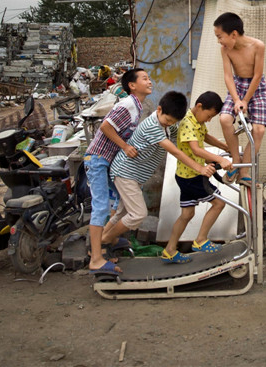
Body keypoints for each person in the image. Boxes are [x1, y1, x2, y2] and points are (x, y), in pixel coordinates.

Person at [100, 91, 212, 254]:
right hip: (125, 172)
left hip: (133, 175)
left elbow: (184, 136)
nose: (169, 125)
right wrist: (200, 168)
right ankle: (105, 240)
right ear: (159, 110)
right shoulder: (153, 125)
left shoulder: (167, 124)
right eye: (167, 121)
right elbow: (176, 152)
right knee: (138, 214)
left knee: (122, 212)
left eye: (172, 122)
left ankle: (99, 244)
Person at [85, 68, 152, 275]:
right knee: (100, 207)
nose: (150, 81)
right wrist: (125, 146)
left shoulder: (137, 106)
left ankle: (108, 241)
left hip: (107, 161)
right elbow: (105, 127)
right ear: (132, 85)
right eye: (145, 78)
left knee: (123, 198)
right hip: (97, 159)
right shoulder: (128, 104)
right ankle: (95, 258)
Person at [161, 92, 234, 263]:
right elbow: (196, 150)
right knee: (218, 203)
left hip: (185, 175)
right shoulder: (187, 122)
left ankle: (170, 250)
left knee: (187, 214)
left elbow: (205, 136)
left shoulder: (196, 120)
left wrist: (225, 146)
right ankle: (201, 240)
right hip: (192, 177)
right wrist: (220, 159)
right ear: (199, 106)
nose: (208, 120)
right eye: (208, 116)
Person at [214, 12, 266, 184]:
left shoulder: (258, 46)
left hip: (256, 88)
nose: (219, 41)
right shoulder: (225, 50)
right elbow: (228, 76)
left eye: (220, 36)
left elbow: (258, 75)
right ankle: (236, 162)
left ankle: (245, 169)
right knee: (225, 119)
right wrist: (237, 99)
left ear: (234, 34)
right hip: (237, 86)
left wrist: (245, 100)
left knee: (259, 130)